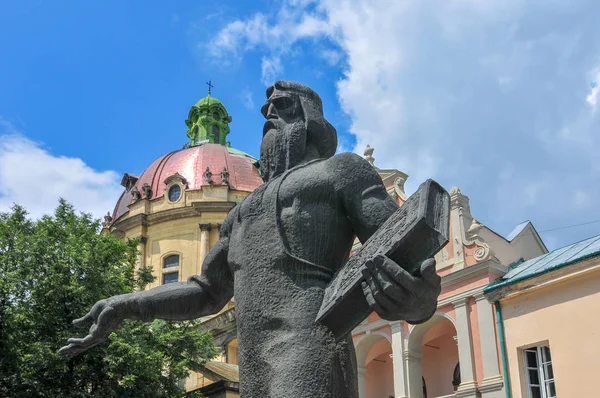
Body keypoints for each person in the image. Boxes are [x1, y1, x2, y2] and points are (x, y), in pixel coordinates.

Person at [60, 81, 441, 397]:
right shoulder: (240, 212)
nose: (269, 118)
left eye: (283, 109)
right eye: (266, 115)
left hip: (311, 347)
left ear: (311, 122)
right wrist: (127, 305)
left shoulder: (341, 171)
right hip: (254, 366)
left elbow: (403, 244)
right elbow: (207, 290)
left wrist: (420, 299)